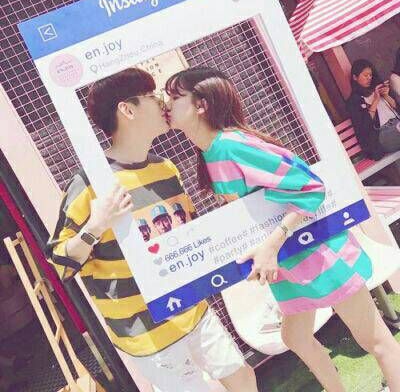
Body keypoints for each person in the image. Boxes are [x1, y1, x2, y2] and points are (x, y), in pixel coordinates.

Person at [165, 66, 400, 392]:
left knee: (374, 339)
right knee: (295, 337)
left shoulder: (231, 145)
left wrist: (271, 244)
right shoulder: (212, 153)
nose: (167, 104)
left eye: (174, 97)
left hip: (319, 254)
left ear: (201, 105)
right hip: (291, 265)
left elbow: (310, 187)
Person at [48, 68, 258, 392]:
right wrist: (96, 225)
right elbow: (59, 265)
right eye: (150, 96)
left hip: (192, 308)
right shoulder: (89, 184)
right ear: (127, 109)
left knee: (242, 376)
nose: (162, 102)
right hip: (144, 332)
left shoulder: (165, 168)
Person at [347, 59, 400, 160]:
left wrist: (386, 96)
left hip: (396, 125)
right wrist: (375, 100)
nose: (369, 78)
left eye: (370, 75)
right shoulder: (354, 101)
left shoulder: (378, 88)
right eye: (365, 75)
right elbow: (364, 126)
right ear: (355, 77)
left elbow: (397, 109)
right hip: (381, 136)